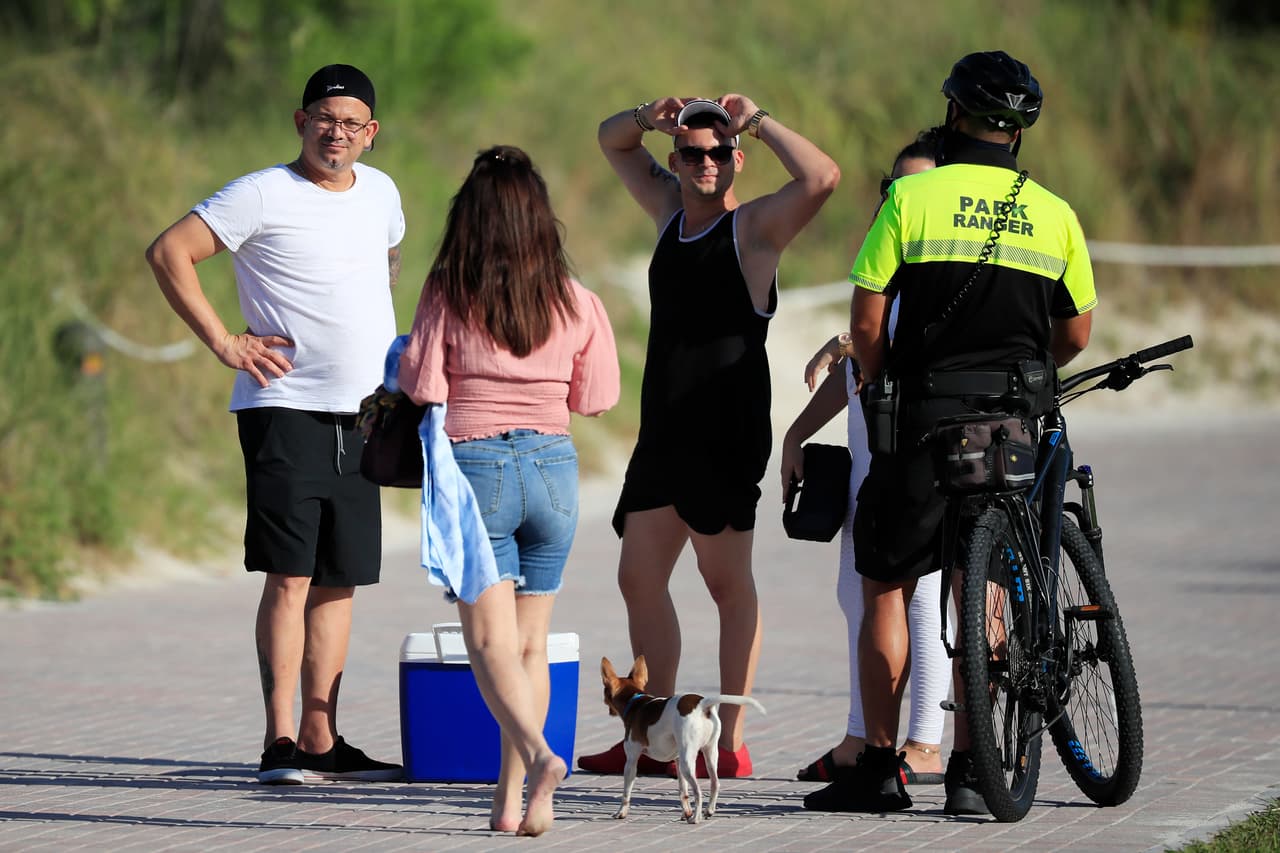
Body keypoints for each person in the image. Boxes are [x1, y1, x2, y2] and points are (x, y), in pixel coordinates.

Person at [829, 50, 1096, 813]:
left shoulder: (912, 198)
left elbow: (865, 319)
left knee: (886, 583)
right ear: (1020, 133)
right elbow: (1076, 331)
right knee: (988, 584)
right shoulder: (1054, 212)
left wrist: (879, 382)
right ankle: (975, 775)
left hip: (920, 417)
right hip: (1007, 423)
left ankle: (878, 770)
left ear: (954, 115)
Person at [145, 64, 405, 785]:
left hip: (365, 414)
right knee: (290, 575)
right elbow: (170, 252)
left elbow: (388, 253)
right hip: (283, 408)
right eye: (325, 119)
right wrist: (225, 342)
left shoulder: (381, 192)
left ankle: (324, 739)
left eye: (352, 124)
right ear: (301, 121)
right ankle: (280, 742)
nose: (337, 133)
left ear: (371, 133)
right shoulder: (261, 192)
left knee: (341, 578)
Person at [578, 95, 840, 778]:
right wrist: (643, 115)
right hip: (663, 430)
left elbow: (822, 178)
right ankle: (659, 734)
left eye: (719, 153)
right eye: (692, 153)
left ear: (736, 161)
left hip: (726, 431)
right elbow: (611, 143)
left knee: (726, 584)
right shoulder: (668, 214)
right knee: (638, 576)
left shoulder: (753, 230)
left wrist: (758, 119)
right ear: (677, 158)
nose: (705, 163)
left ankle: (730, 742)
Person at [398, 145, 620, 835]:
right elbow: (599, 394)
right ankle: (518, 801)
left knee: (488, 643)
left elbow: (423, 385)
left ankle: (539, 754)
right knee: (532, 643)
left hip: (477, 472)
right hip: (554, 471)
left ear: (471, 217)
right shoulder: (576, 298)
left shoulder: (449, 288)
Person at [780, 130, 954, 810]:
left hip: (917, 468)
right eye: (893, 189)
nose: (901, 200)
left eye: (918, 188)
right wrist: (796, 430)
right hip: (868, 468)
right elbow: (858, 367)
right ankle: (860, 736)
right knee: (858, 600)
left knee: (920, 600)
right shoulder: (889, 271)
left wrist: (850, 342)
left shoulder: (945, 283)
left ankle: (924, 740)